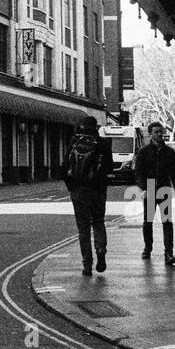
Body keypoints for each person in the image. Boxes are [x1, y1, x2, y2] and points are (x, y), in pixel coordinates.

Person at [62, 116, 114, 276]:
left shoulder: (74, 142)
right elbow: (110, 167)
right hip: (98, 191)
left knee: (83, 229)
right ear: (97, 127)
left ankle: (87, 265)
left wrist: (72, 188)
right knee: (98, 222)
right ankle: (100, 249)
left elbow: (65, 167)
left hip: (79, 191)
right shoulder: (104, 143)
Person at [133, 121, 175, 265]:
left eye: (161, 132)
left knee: (167, 221)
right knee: (148, 221)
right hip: (149, 187)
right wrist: (143, 188)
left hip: (164, 188)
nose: (160, 134)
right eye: (156, 132)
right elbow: (138, 172)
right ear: (150, 134)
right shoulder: (144, 151)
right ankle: (148, 248)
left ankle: (169, 253)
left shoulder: (169, 152)